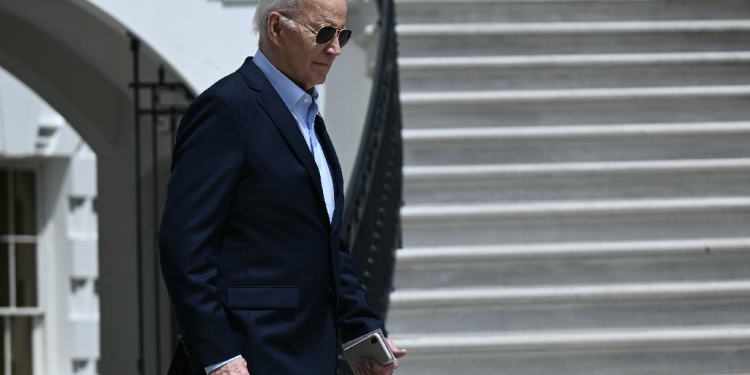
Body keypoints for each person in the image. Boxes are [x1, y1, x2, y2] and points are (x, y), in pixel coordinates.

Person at [157, 0, 406, 373]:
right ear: (276, 28)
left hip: (311, 355)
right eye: (323, 33)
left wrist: (361, 329)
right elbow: (184, 246)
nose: (336, 48)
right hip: (250, 355)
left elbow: (326, 241)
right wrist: (219, 355)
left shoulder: (307, 117)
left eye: (343, 34)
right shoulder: (226, 109)